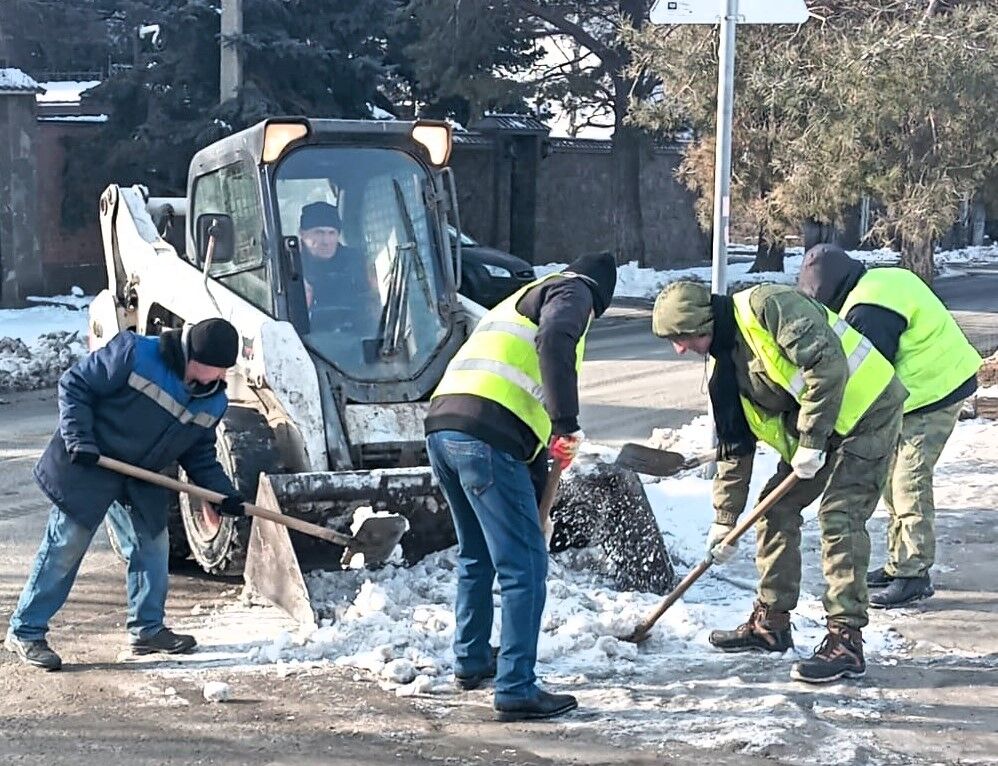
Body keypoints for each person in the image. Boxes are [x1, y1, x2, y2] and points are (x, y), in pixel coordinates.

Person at [652, 281, 906, 684]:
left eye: (682, 338)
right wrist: (726, 520)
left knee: (840, 517)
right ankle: (771, 623)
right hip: (823, 430)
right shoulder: (724, 377)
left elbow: (827, 364)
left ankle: (846, 640)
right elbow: (735, 451)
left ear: (704, 323)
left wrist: (811, 441)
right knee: (773, 508)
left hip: (868, 411)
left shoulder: (768, 306)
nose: (679, 349)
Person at [425, 252, 617, 720]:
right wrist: (565, 423)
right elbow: (554, 341)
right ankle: (516, 687)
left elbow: (514, 385)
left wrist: (544, 463)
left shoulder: (516, 301)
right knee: (525, 567)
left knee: (478, 553)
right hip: (487, 438)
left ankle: (471, 660)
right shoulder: (572, 291)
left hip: (444, 429)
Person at [4, 319, 246, 671]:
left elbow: (200, 455)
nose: (221, 376)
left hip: (141, 475)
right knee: (65, 546)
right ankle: (25, 630)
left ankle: (147, 630)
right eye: (217, 368)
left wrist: (223, 494)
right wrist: (78, 439)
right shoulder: (135, 353)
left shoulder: (213, 401)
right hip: (90, 459)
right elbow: (75, 384)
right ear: (193, 356)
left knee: (152, 545)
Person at [797, 244, 981, 608]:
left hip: (935, 392)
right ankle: (900, 563)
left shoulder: (869, 312)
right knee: (891, 478)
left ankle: (914, 574)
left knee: (907, 480)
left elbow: (868, 381)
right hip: (920, 391)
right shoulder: (879, 281)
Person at [297, 201, 371, 313]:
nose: (326, 241)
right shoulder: (291, 266)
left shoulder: (355, 262)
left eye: (331, 233)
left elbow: (375, 301)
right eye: (319, 233)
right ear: (302, 234)